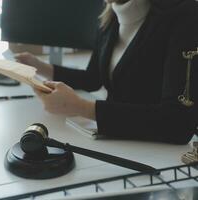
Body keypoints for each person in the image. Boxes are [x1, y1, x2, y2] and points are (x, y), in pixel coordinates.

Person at [15, 0, 198, 144]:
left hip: (156, 156)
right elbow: (92, 79)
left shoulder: (185, 15)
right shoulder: (110, 16)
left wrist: (82, 107)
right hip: (116, 142)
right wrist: (39, 66)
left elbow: (178, 125)